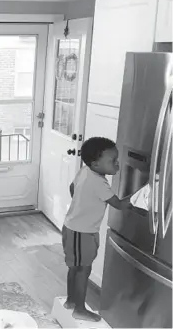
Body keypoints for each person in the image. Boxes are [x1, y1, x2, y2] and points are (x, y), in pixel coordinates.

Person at [62, 137, 132, 322]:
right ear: (95, 163)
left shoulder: (85, 171)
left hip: (73, 228)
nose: (117, 164)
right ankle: (79, 309)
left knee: (74, 268)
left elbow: (72, 188)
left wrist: (82, 203)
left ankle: (70, 302)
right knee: (83, 270)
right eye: (113, 161)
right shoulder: (99, 183)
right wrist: (142, 196)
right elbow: (119, 204)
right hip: (82, 233)